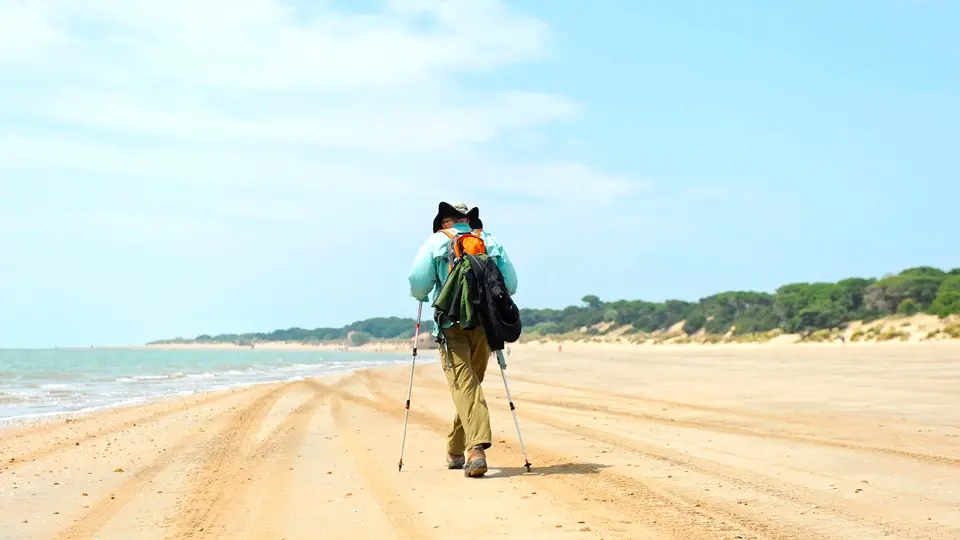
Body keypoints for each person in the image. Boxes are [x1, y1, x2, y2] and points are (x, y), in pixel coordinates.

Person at [408, 201, 518, 477]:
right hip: (484, 324)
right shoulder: (488, 240)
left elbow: (418, 284)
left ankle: (476, 449)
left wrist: (423, 296)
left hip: (451, 323)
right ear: (468, 220)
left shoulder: (435, 242)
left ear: (444, 222)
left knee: (465, 386)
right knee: (470, 386)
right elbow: (512, 285)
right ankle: (455, 450)